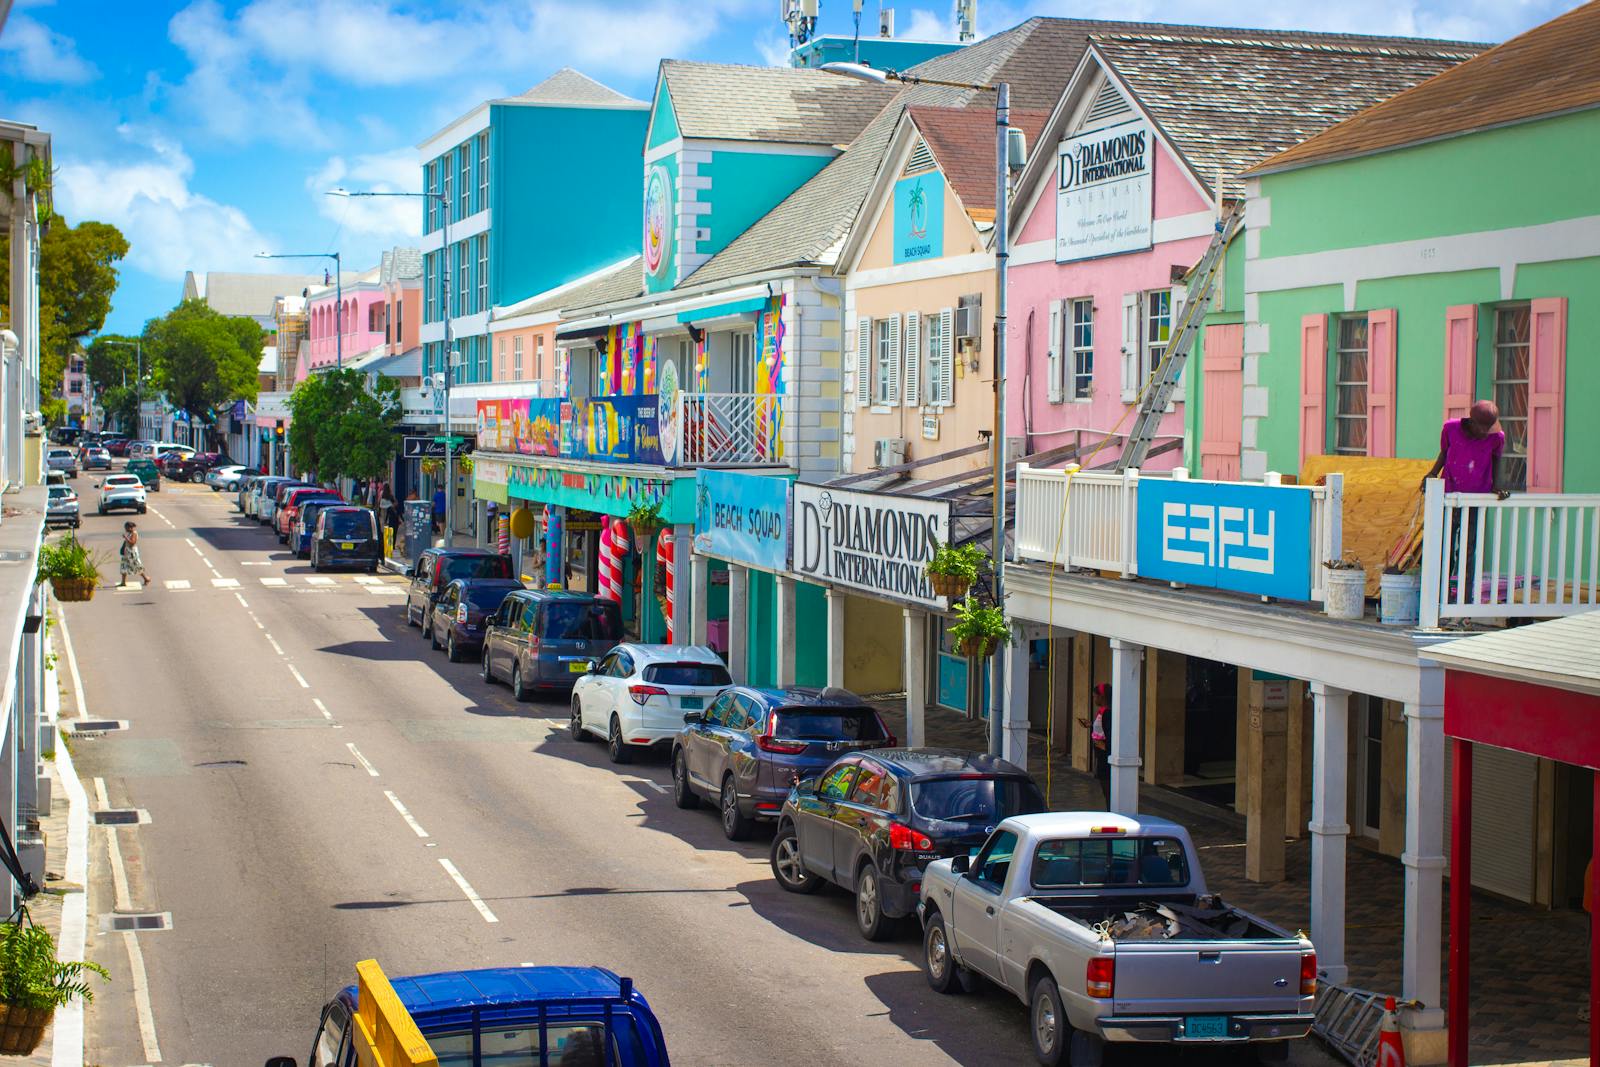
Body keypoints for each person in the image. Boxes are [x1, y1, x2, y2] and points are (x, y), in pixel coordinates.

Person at [1422, 400, 1511, 601]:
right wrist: (1432, 473)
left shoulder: (1496, 437)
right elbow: (1444, 453)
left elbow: (1496, 460)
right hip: (1449, 495)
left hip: (1476, 498)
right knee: (1444, 546)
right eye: (1482, 427)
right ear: (1471, 421)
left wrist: (1496, 485)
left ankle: (1464, 598)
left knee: (1469, 550)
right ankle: (1438, 596)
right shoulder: (1451, 429)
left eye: (1489, 428)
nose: (1486, 432)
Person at [1079, 683, 1113, 807]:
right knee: (1105, 789)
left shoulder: (1108, 713)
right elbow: (1101, 729)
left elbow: (1110, 732)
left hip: (1105, 758)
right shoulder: (1103, 712)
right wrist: (1091, 725)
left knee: (1108, 790)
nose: (1094, 699)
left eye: (1095, 696)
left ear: (1102, 697)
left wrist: (1106, 747)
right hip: (1101, 756)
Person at [119, 521, 152, 589]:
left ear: (130, 528)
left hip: (132, 553)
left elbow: (132, 543)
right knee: (124, 566)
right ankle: (123, 582)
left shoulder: (134, 533)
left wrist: (126, 537)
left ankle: (146, 578)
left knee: (137, 566)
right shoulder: (129, 533)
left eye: (126, 528)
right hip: (127, 552)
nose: (125, 529)